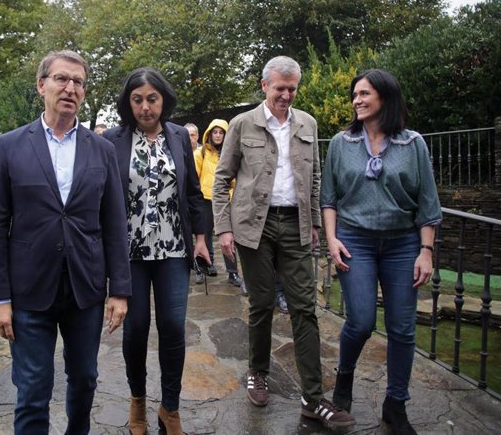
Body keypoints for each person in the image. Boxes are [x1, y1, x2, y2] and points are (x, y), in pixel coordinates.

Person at [0, 50, 131, 434]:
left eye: (78, 82)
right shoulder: (9, 146)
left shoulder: (102, 149)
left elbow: (114, 222)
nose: (70, 88)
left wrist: (120, 290)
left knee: (84, 380)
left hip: (85, 288)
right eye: (61, 79)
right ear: (41, 85)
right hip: (29, 290)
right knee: (32, 390)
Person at [213, 55, 355, 429]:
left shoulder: (307, 122)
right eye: (280, 88)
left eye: (292, 89)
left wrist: (311, 223)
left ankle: (312, 398)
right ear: (264, 86)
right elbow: (221, 179)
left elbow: (314, 177)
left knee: (304, 308)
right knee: (261, 304)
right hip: (251, 227)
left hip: (294, 225)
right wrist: (223, 228)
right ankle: (257, 372)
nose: (286, 96)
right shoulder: (243, 124)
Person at [321, 68, 441, 435]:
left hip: (403, 244)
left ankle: (396, 404)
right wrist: (331, 240)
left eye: (364, 94)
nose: (356, 100)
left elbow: (427, 203)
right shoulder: (342, 143)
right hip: (354, 240)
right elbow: (329, 198)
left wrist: (426, 251)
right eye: (354, 94)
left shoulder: (413, 144)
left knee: (403, 330)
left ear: (384, 98)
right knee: (360, 320)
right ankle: (344, 381)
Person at [102, 67, 210, 435]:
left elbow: (193, 192)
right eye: (137, 100)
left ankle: (170, 408)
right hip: (129, 253)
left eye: (152, 99)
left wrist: (200, 238)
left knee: (173, 328)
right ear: (127, 103)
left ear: (163, 100)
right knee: (135, 330)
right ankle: (137, 402)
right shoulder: (113, 140)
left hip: (174, 250)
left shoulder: (179, 136)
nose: (145, 107)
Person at [194, 119, 246, 291]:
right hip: (206, 199)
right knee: (205, 235)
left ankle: (232, 272)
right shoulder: (200, 153)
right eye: (214, 132)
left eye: (221, 132)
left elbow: (238, 176)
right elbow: (194, 178)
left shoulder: (232, 153)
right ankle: (206, 265)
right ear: (209, 134)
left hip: (226, 200)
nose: (217, 135)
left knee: (229, 236)